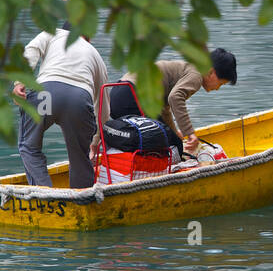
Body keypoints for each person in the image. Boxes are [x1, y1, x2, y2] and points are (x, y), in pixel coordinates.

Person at [92, 48, 237, 161]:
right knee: (174, 146)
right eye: (221, 83)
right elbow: (175, 98)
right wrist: (189, 133)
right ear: (211, 72)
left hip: (118, 93)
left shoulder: (187, 69)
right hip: (133, 96)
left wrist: (175, 132)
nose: (217, 88)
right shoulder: (197, 76)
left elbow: (165, 107)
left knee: (168, 138)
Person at [13, 22, 110, 189]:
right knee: (80, 157)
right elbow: (102, 104)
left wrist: (19, 82)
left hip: (46, 95)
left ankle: (44, 194)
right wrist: (94, 142)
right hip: (78, 101)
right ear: (87, 37)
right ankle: (82, 200)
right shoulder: (94, 54)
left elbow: (31, 51)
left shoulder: (52, 33)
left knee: (29, 146)